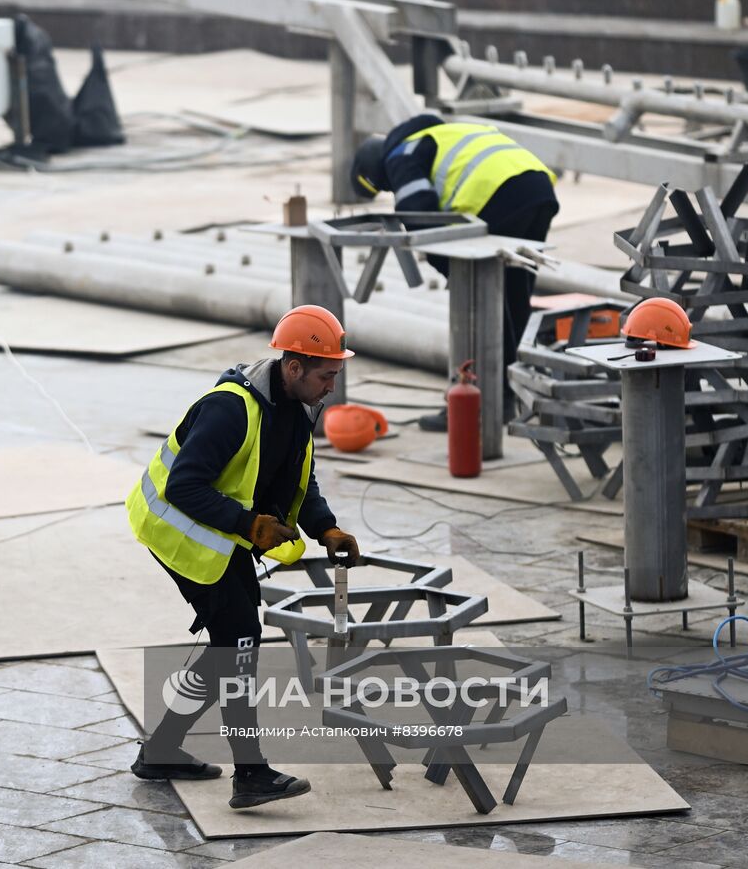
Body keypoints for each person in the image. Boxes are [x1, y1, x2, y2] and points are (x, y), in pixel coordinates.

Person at [125, 304, 362, 810]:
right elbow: (185, 485)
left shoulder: (296, 411)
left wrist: (325, 527)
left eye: (336, 375)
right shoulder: (230, 408)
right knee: (237, 643)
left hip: (218, 533)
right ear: (293, 367)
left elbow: (296, 479)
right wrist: (248, 523)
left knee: (233, 642)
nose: (332, 386)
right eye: (327, 375)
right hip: (179, 529)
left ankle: (163, 750)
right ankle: (250, 773)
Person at [350, 115, 559, 431]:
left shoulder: (400, 155)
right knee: (514, 294)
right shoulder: (443, 133)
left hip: (500, 195)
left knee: (481, 300)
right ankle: (511, 398)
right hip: (538, 190)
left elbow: (421, 217)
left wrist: (456, 273)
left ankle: (476, 406)